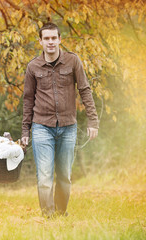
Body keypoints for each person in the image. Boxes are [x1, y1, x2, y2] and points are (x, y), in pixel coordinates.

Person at [21, 23, 99, 218]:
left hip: (68, 127)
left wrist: (93, 121)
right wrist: (25, 131)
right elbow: (28, 99)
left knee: (65, 176)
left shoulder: (73, 61)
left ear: (59, 40)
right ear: (40, 41)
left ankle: (60, 213)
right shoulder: (33, 66)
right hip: (41, 127)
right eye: (46, 39)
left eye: (53, 38)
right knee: (45, 177)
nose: (50, 42)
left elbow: (85, 90)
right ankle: (48, 216)